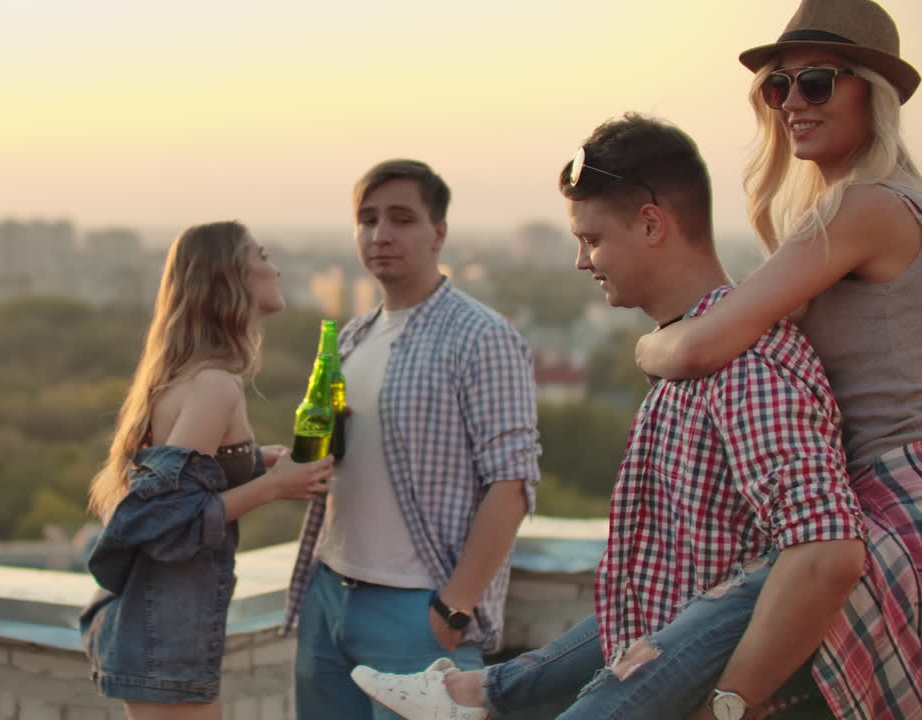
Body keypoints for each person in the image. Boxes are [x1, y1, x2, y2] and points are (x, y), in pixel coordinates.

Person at [351, 114, 871, 720]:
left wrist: (729, 704)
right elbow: (669, 587)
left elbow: (826, 554)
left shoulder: (743, 364)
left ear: (651, 224)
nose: (581, 261)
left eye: (592, 239)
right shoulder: (691, 353)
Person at [634, 0, 922, 715]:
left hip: (888, 502)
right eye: (777, 86)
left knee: (672, 642)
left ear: (872, 94)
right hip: (881, 500)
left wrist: (647, 344)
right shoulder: (891, 203)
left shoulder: (865, 206)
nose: (793, 102)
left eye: (816, 82)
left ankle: (481, 691)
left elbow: (700, 345)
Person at [285, 159, 541, 719]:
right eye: (368, 219)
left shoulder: (481, 336)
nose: (381, 235)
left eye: (402, 219)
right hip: (330, 594)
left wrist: (453, 610)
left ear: (438, 233)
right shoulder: (352, 336)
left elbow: (513, 483)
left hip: (417, 609)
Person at [79, 220, 334, 720]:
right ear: (231, 278)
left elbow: (188, 477)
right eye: (263, 256)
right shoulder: (213, 384)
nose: (276, 269)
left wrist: (253, 461)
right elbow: (168, 521)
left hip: (162, 629)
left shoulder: (192, 375)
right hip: (165, 634)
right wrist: (274, 487)